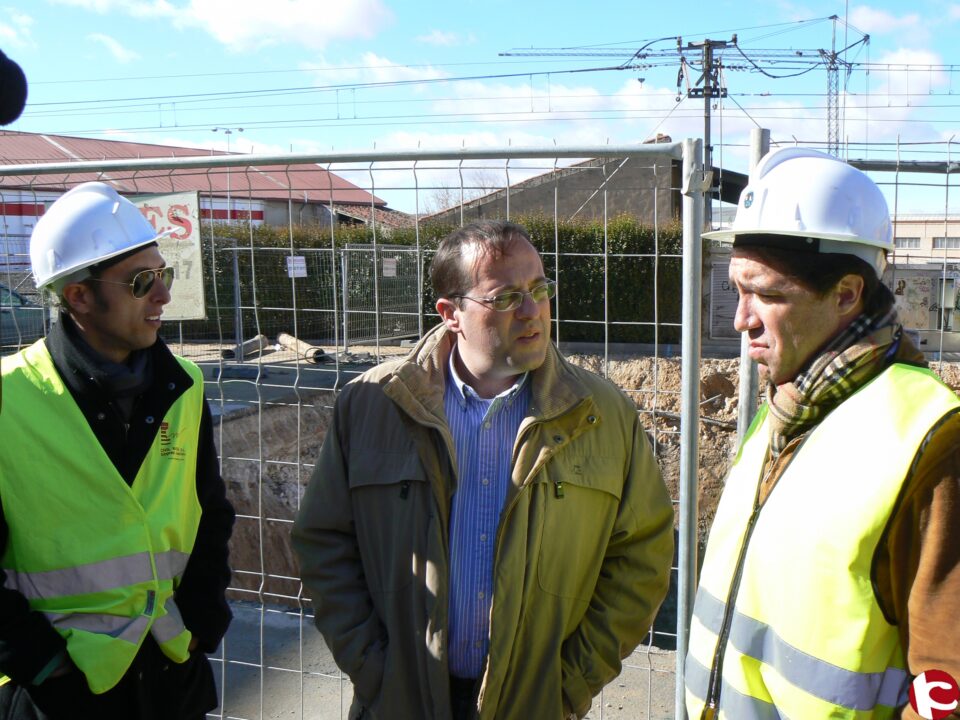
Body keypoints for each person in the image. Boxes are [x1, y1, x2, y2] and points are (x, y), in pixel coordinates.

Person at [292, 220, 674, 720]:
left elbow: (642, 556)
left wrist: (569, 684)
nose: (533, 310)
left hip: (534, 703)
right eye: (506, 298)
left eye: (540, 289)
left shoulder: (602, 414)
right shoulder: (373, 404)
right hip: (399, 700)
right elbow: (324, 543)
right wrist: (374, 670)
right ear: (451, 314)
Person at [685, 148, 960, 720]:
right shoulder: (787, 408)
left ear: (846, 294)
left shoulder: (932, 438)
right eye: (737, 289)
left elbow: (947, 680)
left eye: (767, 294)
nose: (741, 319)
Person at [0, 182, 235, 719]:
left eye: (163, 274)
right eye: (140, 281)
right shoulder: (8, 399)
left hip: (172, 677)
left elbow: (210, 512)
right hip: (57, 695)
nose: (163, 295)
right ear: (79, 296)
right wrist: (41, 663)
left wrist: (203, 622)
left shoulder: (185, 385)